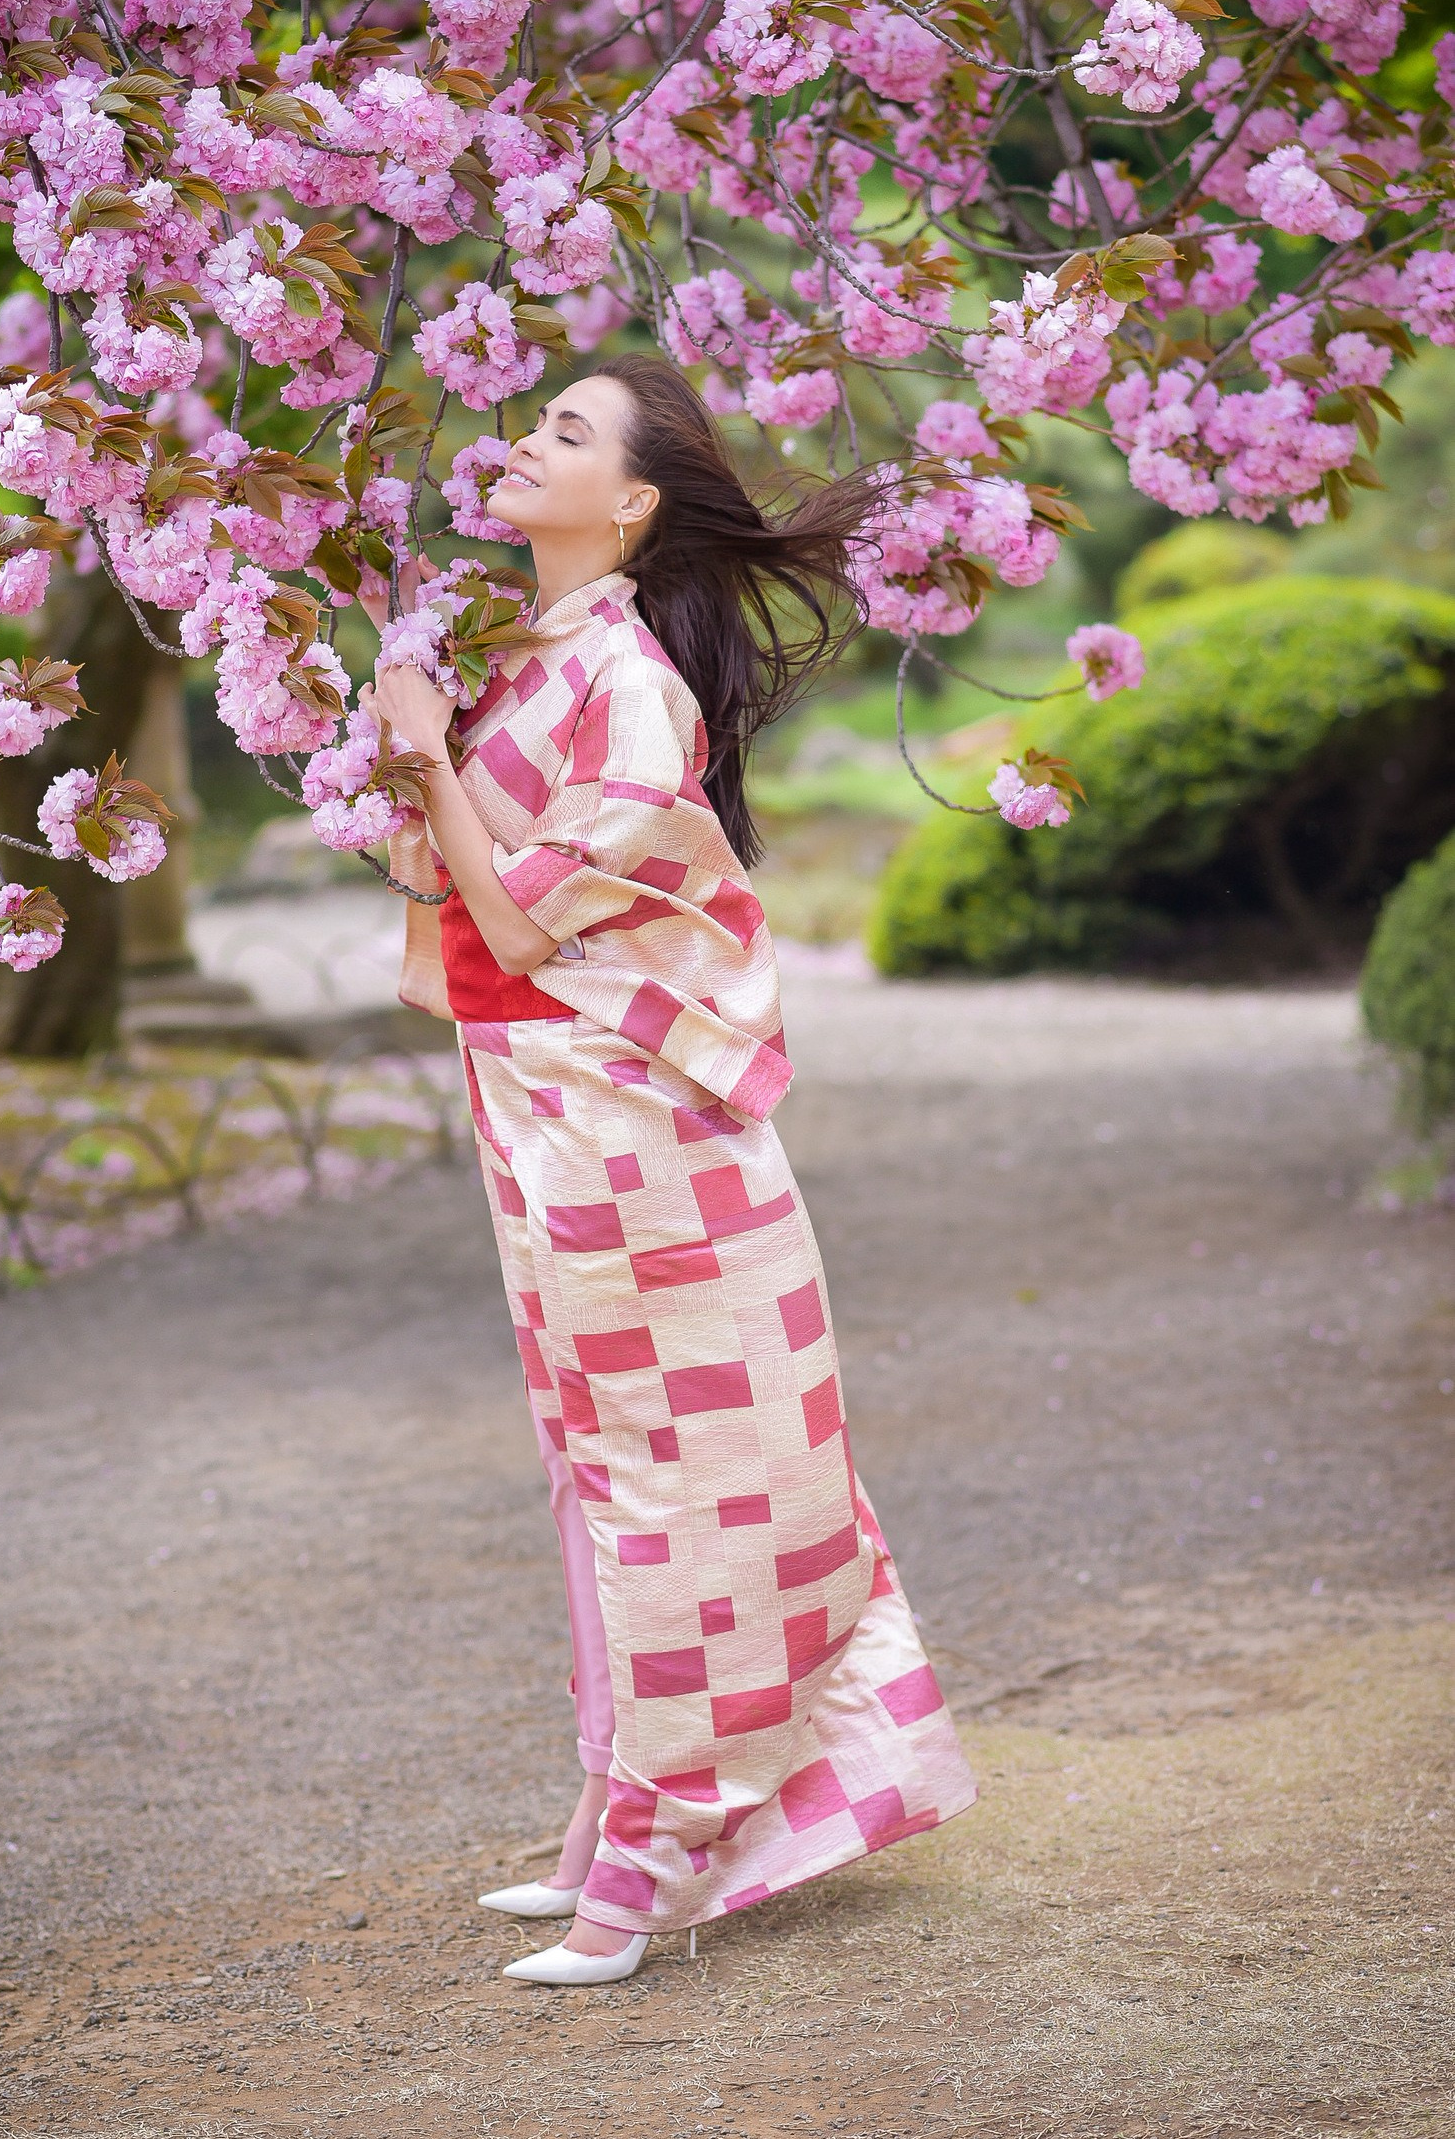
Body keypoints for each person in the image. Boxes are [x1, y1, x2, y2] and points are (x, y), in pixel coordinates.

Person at [362, 355, 975, 1986]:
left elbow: (510, 918)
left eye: (565, 430)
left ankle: (646, 1872)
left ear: (629, 505)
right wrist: (412, 735)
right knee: (595, 1458)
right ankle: (608, 1823)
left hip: (637, 1134)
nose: (521, 440)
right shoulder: (528, 658)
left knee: (669, 1480)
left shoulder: (626, 683)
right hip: (544, 1100)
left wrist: (424, 756)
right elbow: (462, 898)